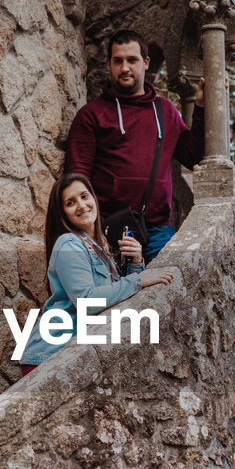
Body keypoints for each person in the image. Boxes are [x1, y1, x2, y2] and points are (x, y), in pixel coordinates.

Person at [65, 28, 206, 262]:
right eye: (118, 61)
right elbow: (77, 179)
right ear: (109, 64)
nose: (125, 68)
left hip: (157, 231)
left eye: (132, 60)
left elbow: (193, 156)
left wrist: (201, 108)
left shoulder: (165, 111)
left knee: (168, 289)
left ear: (146, 62)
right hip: (107, 231)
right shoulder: (91, 115)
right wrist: (89, 233)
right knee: (113, 298)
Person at [20, 171, 176, 373]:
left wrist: (136, 262)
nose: (82, 205)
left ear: (94, 198)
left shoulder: (97, 247)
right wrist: (138, 279)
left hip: (72, 355)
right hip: (49, 356)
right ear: (63, 214)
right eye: (70, 202)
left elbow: (114, 297)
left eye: (85, 196)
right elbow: (88, 302)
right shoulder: (69, 244)